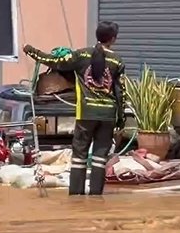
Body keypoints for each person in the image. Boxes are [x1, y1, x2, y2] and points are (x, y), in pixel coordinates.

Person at [23, 21, 126, 196]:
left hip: (86, 114)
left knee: (79, 157)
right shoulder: (116, 60)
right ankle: (95, 199)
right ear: (113, 39)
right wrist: (121, 119)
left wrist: (30, 49)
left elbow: (52, 60)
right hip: (108, 115)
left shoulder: (81, 55)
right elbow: (120, 91)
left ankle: (76, 198)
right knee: (100, 159)